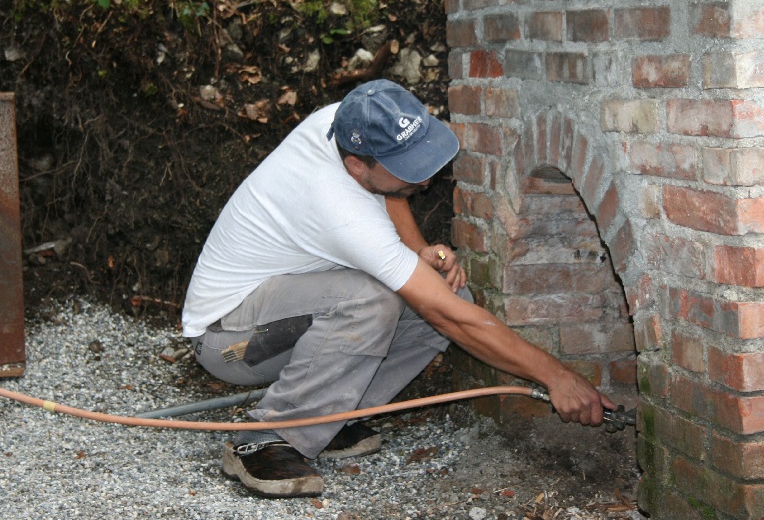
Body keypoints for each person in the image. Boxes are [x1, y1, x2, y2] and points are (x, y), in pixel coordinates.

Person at [181, 79, 615, 498]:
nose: (425, 180)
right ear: (357, 166)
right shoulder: (339, 210)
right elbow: (448, 317)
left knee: (446, 295)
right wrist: (556, 377)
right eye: (409, 169)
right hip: (229, 338)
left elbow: (387, 192)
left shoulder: (349, 122)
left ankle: (328, 418)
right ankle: (266, 437)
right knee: (376, 301)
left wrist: (417, 250)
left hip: (280, 305)